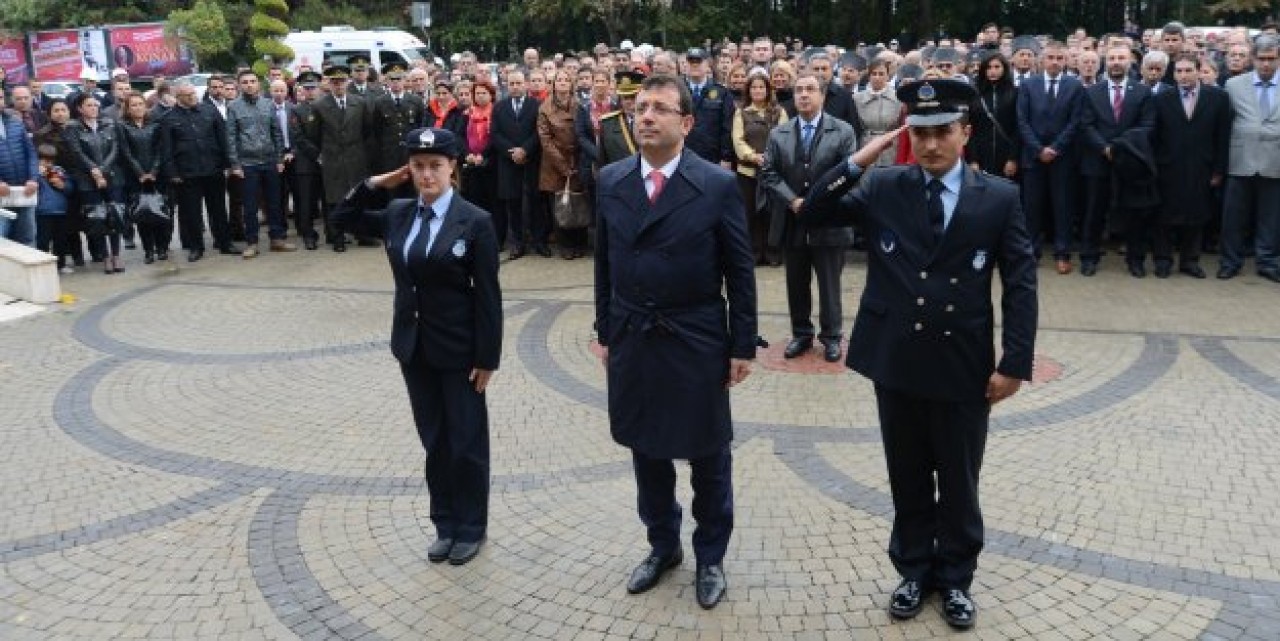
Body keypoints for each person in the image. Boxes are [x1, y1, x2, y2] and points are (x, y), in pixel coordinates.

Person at [800, 78, 1037, 630]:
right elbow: (813, 210)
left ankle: (955, 579)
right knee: (907, 476)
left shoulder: (999, 199)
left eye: (943, 132)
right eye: (921, 132)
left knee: (958, 478)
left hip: (962, 365)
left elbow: (1021, 284)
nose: (931, 145)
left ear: (965, 134)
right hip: (898, 360)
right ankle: (912, 570)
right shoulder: (887, 187)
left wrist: (1014, 363)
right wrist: (865, 156)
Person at [594, 74, 757, 611]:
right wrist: (606, 332)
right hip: (635, 335)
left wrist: (741, 346)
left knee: (708, 455)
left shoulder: (714, 184)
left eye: (660, 108)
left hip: (695, 337)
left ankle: (710, 556)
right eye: (640, 107)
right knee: (647, 451)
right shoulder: (612, 179)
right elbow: (604, 264)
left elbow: (740, 269)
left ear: (686, 123)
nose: (646, 116)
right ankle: (662, 546)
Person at [334, 127, 501, 566]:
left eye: (435, 166)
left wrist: (488, 358)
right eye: (418, 166)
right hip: (415, 349)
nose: (427, 175)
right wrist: (375, 183)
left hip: (461, 353)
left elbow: (488, 297)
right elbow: (343, 219)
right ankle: (444, 524)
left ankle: (471, 528)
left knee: (466, 442)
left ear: (453, 168)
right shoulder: (398, 213)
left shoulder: (475, 220)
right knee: (435, 442)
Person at [760, 73, 858, 363]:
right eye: (799, 90)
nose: (803, 95)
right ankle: (801, 334)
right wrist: (792, 200)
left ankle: (831, 337)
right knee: (796, 281)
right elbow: (769, 173)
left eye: (810, 90)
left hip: (829, 219)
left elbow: (849, 173)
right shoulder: (779, 133)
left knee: (829, 283)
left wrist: (816, 201)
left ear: (822, 96)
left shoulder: (842, 131)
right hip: (793, 220)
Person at [1078, 45, 1156, 277]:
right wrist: (1105, 148)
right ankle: (1089, 257)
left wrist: (1120, 148)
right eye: (1111, 58)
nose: (1116, 62)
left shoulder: (1142, 92)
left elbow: (1147, 126)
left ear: (1130, 61)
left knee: (1134, 214)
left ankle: (1136, 260)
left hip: (1131, 162)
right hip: (1098, 160)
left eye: (1121, 58)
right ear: (1105, 61)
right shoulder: (1092, 92)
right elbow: (1086, 125)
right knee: (1094, 211)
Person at [1152, 54, 1232, 279]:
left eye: (1188, 70)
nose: (1183, 76)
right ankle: (1163, 259)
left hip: (1202, 166)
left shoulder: (1218, 98)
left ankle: (1190, 261)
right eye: (1179, 71)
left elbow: (1222, 137)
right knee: (1165, 215)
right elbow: (1155, 136)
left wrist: (1219, 169)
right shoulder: (1161, 98)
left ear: (1198, 71)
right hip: (1168, 166)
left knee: (1196, 214)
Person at [1016, 41, 1084, 269]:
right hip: (1033, 156)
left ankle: (1062, 253)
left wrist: (1055, 148)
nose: (1054, 62)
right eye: (1050, 57)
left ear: (1065, 61)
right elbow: (1022, 120)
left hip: (1062, 157)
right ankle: (1031, 252)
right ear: (1042, 60)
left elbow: (1075, 122)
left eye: (1059, 58)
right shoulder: (1028, 85)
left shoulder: (1074, 86)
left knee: (1062, 207)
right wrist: (1038, 149)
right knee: (1032, 207)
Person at [1219, 35, 1280, 282]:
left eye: (1272, 59)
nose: (1266, 64)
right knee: (1233, 216)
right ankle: (1230, 262)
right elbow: (1225, 124)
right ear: (1252, 59)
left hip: (1275, 161)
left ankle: (1267, 261)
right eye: (1261, 59)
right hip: (1240, 159)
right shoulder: (1234, 85)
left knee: (1271, 217)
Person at [163, 80, 235, 262]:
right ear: (178, 98)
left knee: (218, 208)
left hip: (213, 169)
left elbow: (223, 139)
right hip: (187, 173)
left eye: (194, 94)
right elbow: (166, 149)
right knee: (192, 213)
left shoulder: (209, 111)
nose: (193, 98)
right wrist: (173, 173)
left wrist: (229, 164)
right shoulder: (169, 118)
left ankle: (225, 242)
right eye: (188, 96)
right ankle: (196, 247)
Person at [312, 65, 373, 251]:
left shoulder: (359, 102)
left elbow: (367, 129)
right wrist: (322, 154)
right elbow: (315, 134)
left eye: (342, 82)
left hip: (355, 157)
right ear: (329, 84)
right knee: (334, 200)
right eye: (334, 82)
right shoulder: (320, 105)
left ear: (348, 82)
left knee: (359, 197)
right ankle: (336, 237)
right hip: (333, 158)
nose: (338, 86)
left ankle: (362, 234)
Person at [732, 72, 787, 265]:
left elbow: (785, 138)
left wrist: (769, 159)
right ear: (748, 90)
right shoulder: (741, 112)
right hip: (748, 173)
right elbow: (738, 141)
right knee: (751, 213)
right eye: (754, 87)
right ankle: (754, 253)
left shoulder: (779, 112)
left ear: (768, 89)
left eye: (761, 87)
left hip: (773, 172)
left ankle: (773, 253)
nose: (757, 90)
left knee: (772, 213)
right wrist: (753, 156)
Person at [67, 93, 126, 273]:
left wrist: (103, 170)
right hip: (87, 180)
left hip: (111, 176)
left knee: (114, 214)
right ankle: (105, 256)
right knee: (97, 218)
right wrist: (94, 171)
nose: (94, 108)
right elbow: (77, 152)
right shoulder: (73, 127)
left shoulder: (108, 123)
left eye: (95, 105)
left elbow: (115, 148)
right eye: (89, 105)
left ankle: (116, 255)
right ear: (80, 108)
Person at [489, 70, 542, 257]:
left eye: (518, 83)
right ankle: (517, 243)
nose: (515, 87)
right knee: (513, 205)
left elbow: (539, 132)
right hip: (508, 162)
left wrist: (525, 150)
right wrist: (512, 151)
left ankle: (538, 241)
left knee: (535, 203)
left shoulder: (536, 105)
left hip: (531, 160)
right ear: (506, 85)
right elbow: (495, 134)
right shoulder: (499, 107)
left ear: (525, 84)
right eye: (511, 84)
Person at [537, 68, 586, 259]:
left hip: (577, 159)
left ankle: (580, 243)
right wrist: (563, 166)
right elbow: (545, 141)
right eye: (560, 80)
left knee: (579, 203)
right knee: (560, 207)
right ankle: (565, 246)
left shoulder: (579, 105)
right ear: (554, 84)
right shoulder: (544, 108)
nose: (563, 82)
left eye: (567, 79)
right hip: (554, 164)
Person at [117, 92, 171, 264]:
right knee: (143, 214)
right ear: (127, 108)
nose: (138, 107)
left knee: (160, 211)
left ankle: (162, 247)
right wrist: (140, 173)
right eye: (133, 105)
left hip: (157, 176)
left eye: (141, 104)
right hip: (135, 178)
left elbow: (160, 149)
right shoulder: (122, 126)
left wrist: (153, 172)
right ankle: (148, 250)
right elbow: (125, 152)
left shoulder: (155, 124)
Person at [286, 72, 325, 251]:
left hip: (328, 161)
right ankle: (308, 235)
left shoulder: (326, 106)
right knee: (306, 202)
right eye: (307, 88)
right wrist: (317, 155)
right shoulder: (297, 110)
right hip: (307, 163)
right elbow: (298, 137)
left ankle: (333, 233)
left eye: (313, 88)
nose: (310, 92)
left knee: (328, 200)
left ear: (319, 88)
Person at [967, 52, 1019, 179]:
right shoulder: (975, 95)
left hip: (1007, 155)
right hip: (982, 156)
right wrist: (973, 160)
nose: (992, 71)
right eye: (989, 67)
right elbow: (971, 129)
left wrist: (1013, 158)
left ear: (1004, 69)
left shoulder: (1015, 93)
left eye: (997, 67)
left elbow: (1018, 129)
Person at [683, 48, 736, 167]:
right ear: (686, 65)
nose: (695, 65)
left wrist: (726, 157)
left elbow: (727, 128)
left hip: (712, 158)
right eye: (691, 62)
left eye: (699, 62)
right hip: (682, 155)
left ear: (707, 65)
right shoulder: (677, 90)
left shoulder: (722, 93)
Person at [460, 80, 498, 236]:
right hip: (471, 162)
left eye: (484, 93)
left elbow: (495, 137)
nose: (480, 96)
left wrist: (483, 155)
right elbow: (461, 136)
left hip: (490, 162)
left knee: (492, 202)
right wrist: (467, 153)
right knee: (474, 201)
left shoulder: (496, 112)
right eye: (477, 93)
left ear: (491, 95)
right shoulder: (467, 114)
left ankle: (494, 234)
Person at [0, 102, 40, 247]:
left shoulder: (15, 123)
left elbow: (31, 154)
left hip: (24, 192)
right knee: (2, 241)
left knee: (28, 238)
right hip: (1, 195)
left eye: (1, 97)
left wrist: (33, 179)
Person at [855, 60, 904, 168]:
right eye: (874, 74)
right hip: (866, 144)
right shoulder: (857, 98)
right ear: (869, 76)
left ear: (888, 76)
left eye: (881, 74)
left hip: (891, 146)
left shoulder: (898, 98)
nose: (877, 77)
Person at [35, 144, 75, 272]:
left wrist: (62, 185)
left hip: (60, 210)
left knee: (61, 240)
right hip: (42, 211)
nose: (48, 163)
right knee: (43, 240)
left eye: (51, 160)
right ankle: (44, 266)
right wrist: (38, 175)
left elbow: (70, 188)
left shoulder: (59, 170)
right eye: (45, 160)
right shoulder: (33, 171)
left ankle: (61, 264)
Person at [596, 71, 643, 168]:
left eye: (633, 97)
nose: (629, 102)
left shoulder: (653, 121)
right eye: (625, 98)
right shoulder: (608, 124)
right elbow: (602, 161)